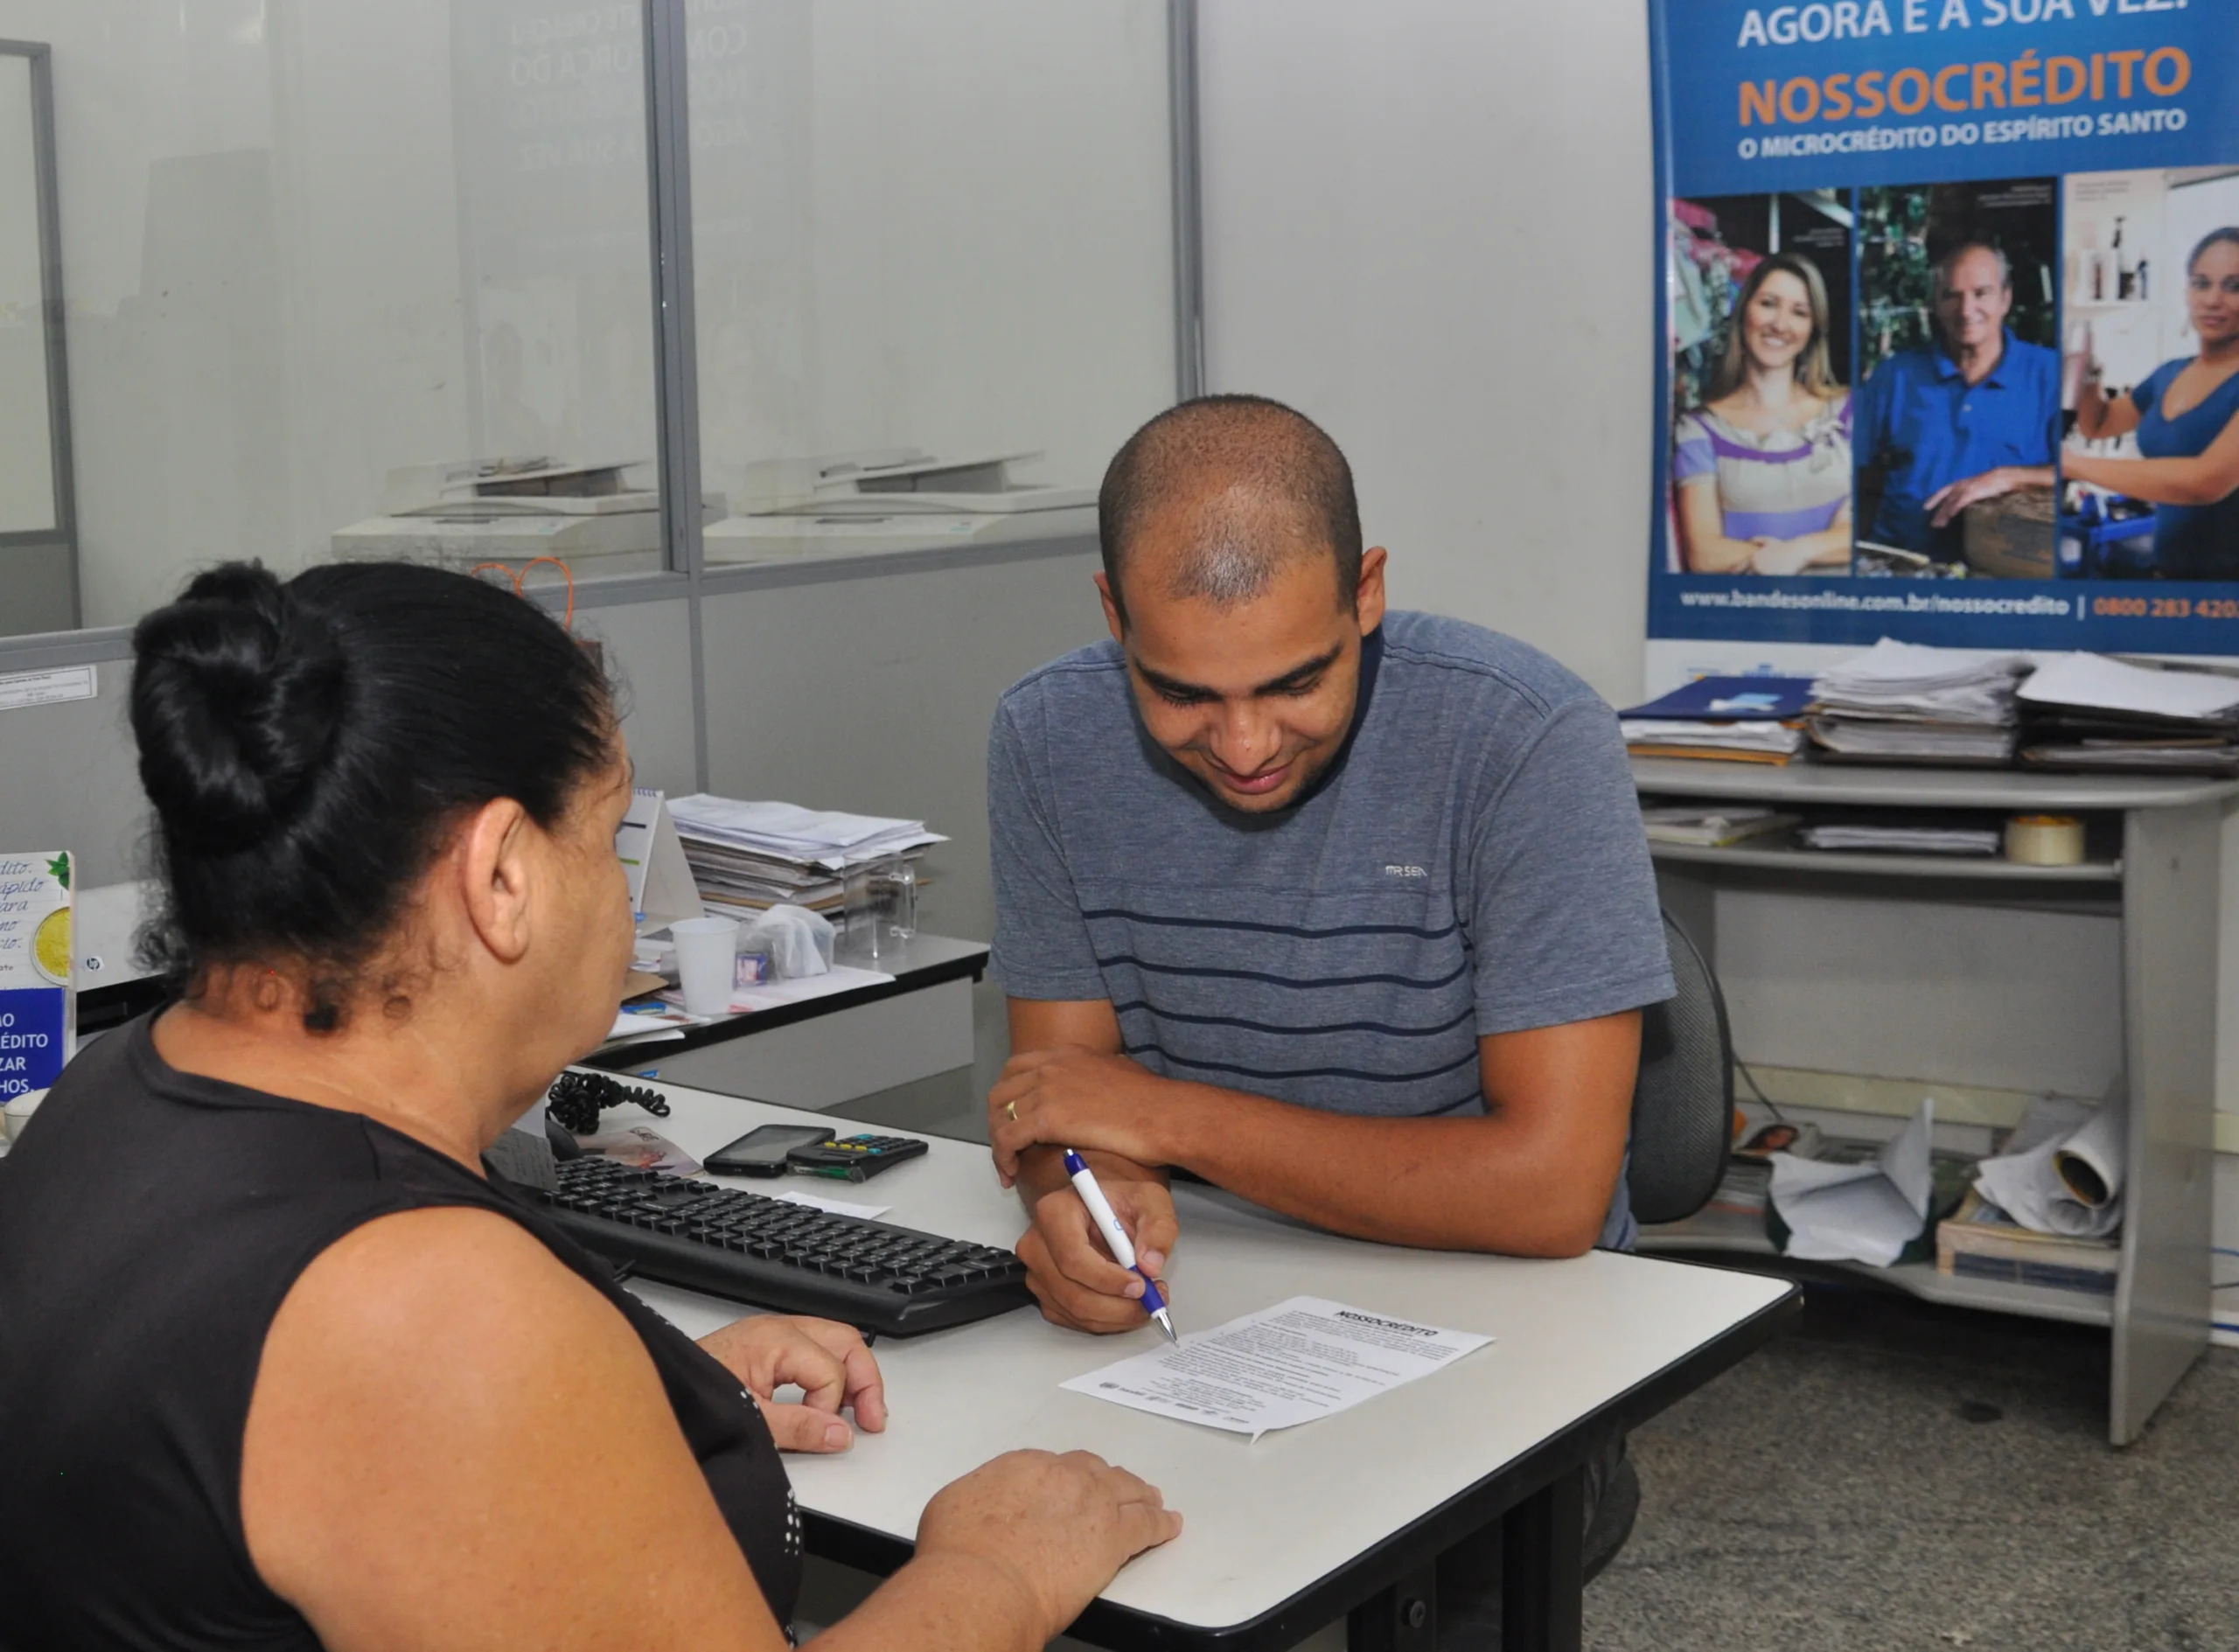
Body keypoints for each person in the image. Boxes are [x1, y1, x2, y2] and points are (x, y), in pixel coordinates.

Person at [0, 561, 1179, 1651]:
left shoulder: (111, 1093)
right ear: (502, 876)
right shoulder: (429, 1312)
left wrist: (620, 1403)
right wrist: (999, 1570)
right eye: (610, 839)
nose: (626, 908)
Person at [981, 395, 1674, 1625]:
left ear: (1367, 592)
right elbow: (1062, 1098)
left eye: (1297, 680)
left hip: (1504, 1339)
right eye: (1182, 691)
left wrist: (1169, 1125)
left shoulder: (1525, 740)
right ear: (1112, 618)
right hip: (1206, 1316)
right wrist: (1080, 1198)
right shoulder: (1047, 735)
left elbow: (1555, 1190)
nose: (1245, 742)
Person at [1854, 240, 2061, 563]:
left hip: (2003, 573)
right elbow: (1851, 470)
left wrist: (2005, 478)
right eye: (1952, 295)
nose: (1966, 310)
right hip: (1902, 565)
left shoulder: (2049, 374)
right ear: (1936, 304)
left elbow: (2082, 474)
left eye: (1982, 293)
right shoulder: (1895, 376)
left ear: (2005, 299)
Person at [2065, 227, 2239, 581]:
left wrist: (2071, 465)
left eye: (2234, 287)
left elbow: (2205, 481)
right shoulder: (2169, 374)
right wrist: (2088, 376)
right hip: (2167, 577)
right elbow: (2098, 424)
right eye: (2201, 283)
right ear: (2187, 291)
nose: (2213, 300)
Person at [1673, 252, 1854, 575]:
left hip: (1838, 615)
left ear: (1813, 329)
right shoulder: (1699, 429)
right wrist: (1828, 544)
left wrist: (1795, 553)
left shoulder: (1847, 412)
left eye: (1799, 312)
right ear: (1744, 313)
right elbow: (1704, 554)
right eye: (1769, 304)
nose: (1780, 324)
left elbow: (1865, 534)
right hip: (1747, 617)